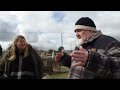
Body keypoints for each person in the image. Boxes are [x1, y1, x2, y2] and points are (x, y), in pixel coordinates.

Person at [55, 17, 120, 79]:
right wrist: (65, 58)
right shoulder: (80, 45)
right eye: (75, 31)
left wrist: (91, 60)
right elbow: (76, 65)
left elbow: (117, 69)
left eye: (79, 30)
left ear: (90, 30)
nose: (76, 34)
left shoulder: (109, 42)